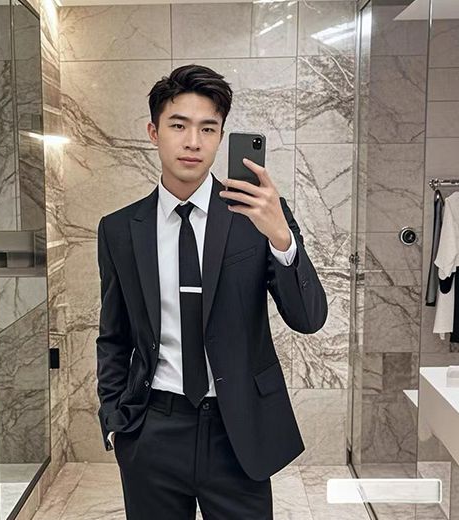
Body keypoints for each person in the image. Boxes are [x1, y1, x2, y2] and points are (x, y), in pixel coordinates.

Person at [95, 63, 328, 519]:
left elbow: (309, 318)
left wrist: (282, 239)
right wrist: (115, 420)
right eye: (178, 125)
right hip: (152, 430)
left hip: (238, 431)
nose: (193, 142)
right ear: (153, 132)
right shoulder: (120, 229)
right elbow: (113, 335)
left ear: (221, 137)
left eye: (208, 128)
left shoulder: (259, 216)